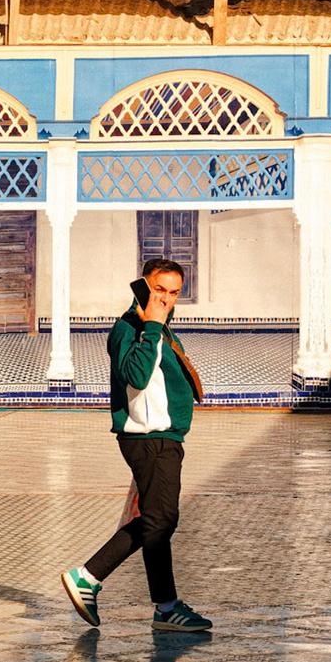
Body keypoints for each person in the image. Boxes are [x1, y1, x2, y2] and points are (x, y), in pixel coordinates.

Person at [60, 258, 211, 632]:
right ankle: (92, 578)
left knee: (157, 520)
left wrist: (158, 328)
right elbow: (136, 376)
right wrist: (152, 327)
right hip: (148, 438)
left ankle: (163, 606)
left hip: (164, 438)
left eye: (174, 293)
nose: (166, 299)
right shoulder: (129, 329)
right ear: (143, 286)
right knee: (161, 519)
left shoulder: (161, 331)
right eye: (159, 290)